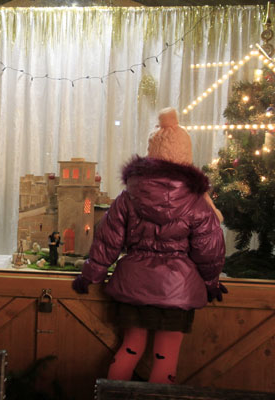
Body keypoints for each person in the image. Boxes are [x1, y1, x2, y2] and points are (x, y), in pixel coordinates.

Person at [72, 108, 226, 384]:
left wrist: (90, 275)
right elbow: (209, 248)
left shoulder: (128, 196)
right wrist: (211, 281)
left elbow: (108, 239)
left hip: (134, 284)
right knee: (166, 356)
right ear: (186, 156)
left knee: (130, 348)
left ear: (151, 154)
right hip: (178, 288)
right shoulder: (197, 201)